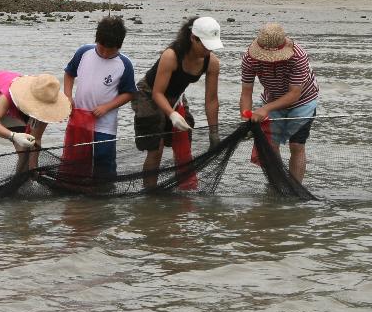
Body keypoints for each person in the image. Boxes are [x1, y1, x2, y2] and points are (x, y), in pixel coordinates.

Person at [132, 16, 225, 187]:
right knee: (156, 148)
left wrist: (214, 133)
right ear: (193, 38)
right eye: (204, 45)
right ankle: (150, 195)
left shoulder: (212, 62)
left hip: (176, 96)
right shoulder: (171, 56)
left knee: (183, 140)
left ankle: (183, 194)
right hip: (149, 93)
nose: (207, 51)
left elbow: (211, 100)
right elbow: (158, 93)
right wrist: (171, 114)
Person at [240, 22, 319, 182]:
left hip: (303, 100)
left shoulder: (298, 56)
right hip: (273, 97)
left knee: (296, 146)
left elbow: (294, 95)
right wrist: (246, 116)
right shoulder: (250, 57)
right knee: (270, 145)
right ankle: (277, 183)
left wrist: (265, 109)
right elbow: (246, 92)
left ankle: (295, 187)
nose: (270, 61)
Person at [0, 71, 71, 189]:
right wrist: (14, 136)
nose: (43, 109)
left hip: (10, 104)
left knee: (25, 151)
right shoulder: (11, 93)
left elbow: (36, 138)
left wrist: (33, 165)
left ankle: (18, 189)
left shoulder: (48, 101)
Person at [63, 15, 136, 180]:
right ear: (97, 40)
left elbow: (130, 93)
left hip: (105, 122)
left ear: (119, 46)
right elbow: (69, 73)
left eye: (110, 50)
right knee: (76, 158)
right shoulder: (84, 52)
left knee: (104, 158)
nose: (104, 52)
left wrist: (107, 107)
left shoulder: (124, 64)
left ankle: (105, 191)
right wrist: (68, 96)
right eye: (101, 47)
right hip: (79, 117)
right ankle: (75, 190)